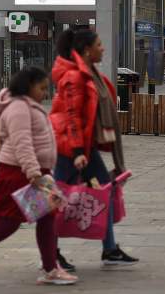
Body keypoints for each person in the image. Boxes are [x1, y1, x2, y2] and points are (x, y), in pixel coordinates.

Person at [0, 68, 77, 286]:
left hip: (34, 170)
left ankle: (50, 268)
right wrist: (34, 173)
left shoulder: (28, 105)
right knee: (9, 220)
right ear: (28, 85)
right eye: (41, 87)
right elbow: (22, 143)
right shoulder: (18, 107)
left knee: (47, 217)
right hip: (20, 171)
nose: (45, 92)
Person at [50, 28, 138, 270]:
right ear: (87, 50)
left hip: (84, 147)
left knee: (106, 190)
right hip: (70, 149)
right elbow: (71, 117)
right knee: (55, 199)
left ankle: (109, 249)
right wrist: (78, 151)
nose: (103, 48)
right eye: (99, 44)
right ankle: (50, 254)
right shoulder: (74, 77)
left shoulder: (90, 74)